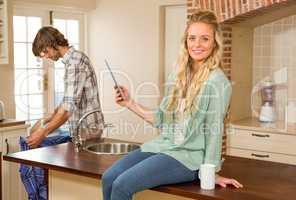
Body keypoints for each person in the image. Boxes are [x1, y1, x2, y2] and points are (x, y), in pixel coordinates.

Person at [102, 10, 243, 200]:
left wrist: (212, 172)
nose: (197, 44)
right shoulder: (178, 75)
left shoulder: (217, 81)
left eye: (205, 39)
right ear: (185, 41)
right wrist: (129, 103)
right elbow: (161, 119)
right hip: (164, 146)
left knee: (122, 185)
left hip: (189, 157)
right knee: (109, 178)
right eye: (192, 38)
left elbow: (214, 130)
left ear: (214, 43)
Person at [29, 26, 104, 148]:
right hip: (82, 128)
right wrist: (50, 116)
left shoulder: (75, 62)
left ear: (52, 43)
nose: (46, 56)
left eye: (45, 51)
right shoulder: (72, 61)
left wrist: (43, 132)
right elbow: (69, 100)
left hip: (87, 129)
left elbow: (68, 109)